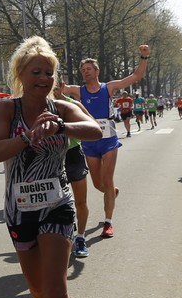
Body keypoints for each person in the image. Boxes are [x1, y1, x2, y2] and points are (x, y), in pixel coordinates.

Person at [0, 38, 102, 298]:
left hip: (57, 205)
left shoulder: (62, 107)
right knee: (37, 288)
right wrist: (27, 136)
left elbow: (96, 130)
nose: (43, 78)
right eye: (36, 72)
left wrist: (61, 127)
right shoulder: (7, 109)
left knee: (55, 291)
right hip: (20, 209)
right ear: (21, 74)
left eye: (49, 72)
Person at [59, 45, 151, 239]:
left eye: (88, 69)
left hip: (108, 140)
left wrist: (144, 57)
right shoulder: (78, 91)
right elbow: (57, 88)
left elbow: (136, 76)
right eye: (83, 70)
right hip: (89, 142)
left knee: (108, 181)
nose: (85, 72)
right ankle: (111, 192)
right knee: (98, 184)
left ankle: (108, 222)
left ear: (97, 71)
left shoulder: (108, 87)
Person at [55, 79, 94, 259]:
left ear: (63, 86)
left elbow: (92, 125)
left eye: (56, 86)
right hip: (52, 157)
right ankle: (64, 235)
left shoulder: (73, 104)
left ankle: (80, 238)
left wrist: (67, 127)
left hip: (73, 154)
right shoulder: (41, 105)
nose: (52, 90)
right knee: (56, 204)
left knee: (80, 201)